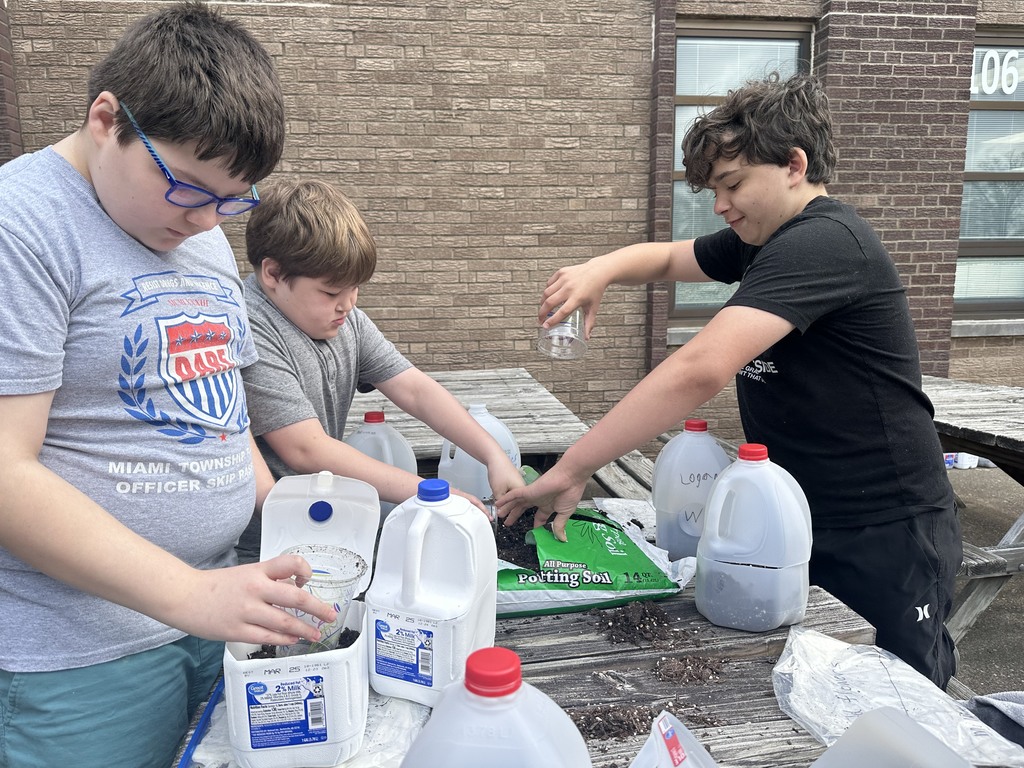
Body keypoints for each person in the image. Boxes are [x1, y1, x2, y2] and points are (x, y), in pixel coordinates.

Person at [497, 72, 961, 689]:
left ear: (794, 165)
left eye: (733, 184)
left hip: (885, 526)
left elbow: (700, 369)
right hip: (800, 515)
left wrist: (575, 465)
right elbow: (670, 257)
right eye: (714, 190)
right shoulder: (761, 243)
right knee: (808, 682)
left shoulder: (826, 242)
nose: (720, 205)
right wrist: (599, 269)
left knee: (898, 695)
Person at [0, 5, 339, 766]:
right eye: (188, 187)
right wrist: (189, 594)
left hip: (217, 611)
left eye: (233, 197)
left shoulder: (198, 233)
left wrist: (290, 514)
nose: (208, 220)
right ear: (106, 120)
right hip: (82, 657)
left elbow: (221, 407)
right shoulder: (20, 226)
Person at [236, 178, 524, 561]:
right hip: (261, 542)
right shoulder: (248, 326)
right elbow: (305, 448)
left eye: (355, 289)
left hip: (321, 526)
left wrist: (492, 454)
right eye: (331, 292)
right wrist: (431, 492)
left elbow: (415, 390)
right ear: (273, 274)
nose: (348, 304)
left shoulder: (345, 320)